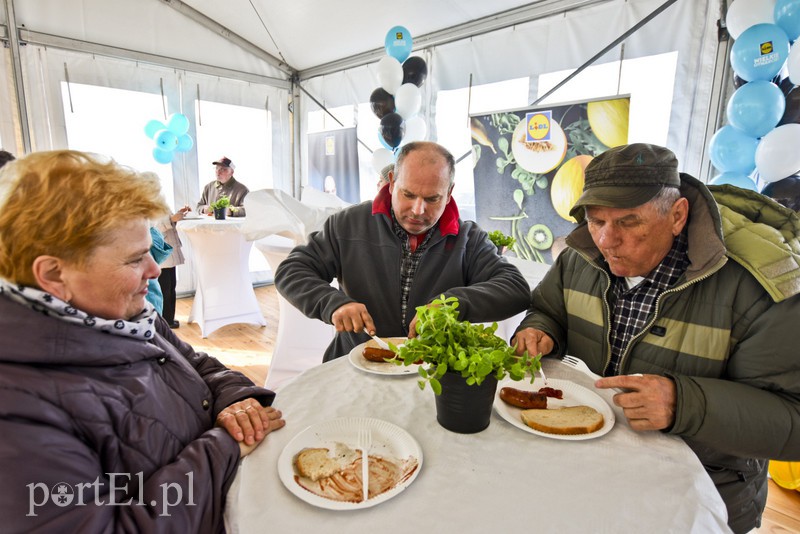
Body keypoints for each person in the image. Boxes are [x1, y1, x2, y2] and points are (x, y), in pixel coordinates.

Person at [512, 143, 800, 533]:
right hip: (584, 470)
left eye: (629, 222)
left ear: (677, 215)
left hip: (699, 495)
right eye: (596, 221)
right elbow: (548, 311)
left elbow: (791, 421)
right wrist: (539, 330)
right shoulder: (578, 254)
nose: (606, 240)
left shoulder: (763, 284)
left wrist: (684, 403)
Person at [0, 150, 285, 531]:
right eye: (134, 260)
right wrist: (224, 447)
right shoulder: (17, 411)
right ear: (54, 274)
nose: (154, 269)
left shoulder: (123, 316)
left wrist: (236, 402)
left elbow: (195, 363)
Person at [275, 141, 530, 362]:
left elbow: (515, 288)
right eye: (408, 194)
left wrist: (451, 304)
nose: (418, 210)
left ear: (449, 193)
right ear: (392, 182)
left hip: (430, 372)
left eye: (433, 199)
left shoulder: (468, 239)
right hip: (354, 362)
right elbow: (292, 270)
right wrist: (332, 303)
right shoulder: (348, 224)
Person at [156, 206, 191, 328]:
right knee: (164, 288)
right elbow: (154, 228)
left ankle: (169, 319)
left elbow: (167, 222)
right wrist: (171, 219)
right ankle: (166, 321)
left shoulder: (159, 201)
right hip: (163, 252)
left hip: (169, 251)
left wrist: (176, 216)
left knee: (171, 287)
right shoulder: (145, 204)